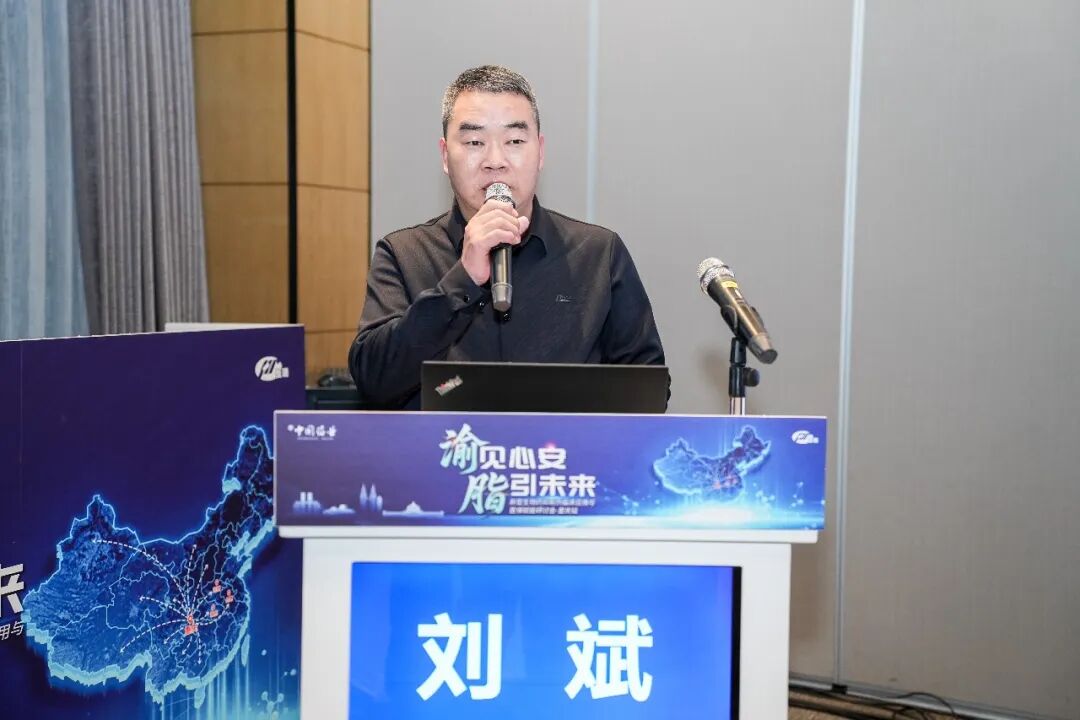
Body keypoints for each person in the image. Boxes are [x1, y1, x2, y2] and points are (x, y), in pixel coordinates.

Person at [349, 65, 664, 409]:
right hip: (449, 444)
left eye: (514, 141)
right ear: (445, 156)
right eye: (474, 142)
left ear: (540, 151)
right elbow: (373, 381)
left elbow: (648, 389)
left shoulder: (598, 253)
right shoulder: (403, 254)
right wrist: (461, 281)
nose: (495, 161)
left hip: (561, 445)